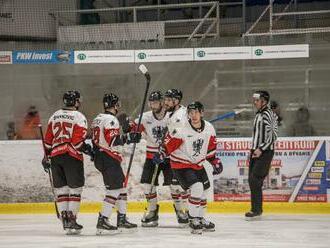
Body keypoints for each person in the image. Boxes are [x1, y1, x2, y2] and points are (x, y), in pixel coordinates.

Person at [164, 101, 223, 234]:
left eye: (196, 112)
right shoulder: (181, 129)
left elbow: (210, 148)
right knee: (197, 187)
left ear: (202, 113)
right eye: (190, 112)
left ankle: (200, 218)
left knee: (204, 192)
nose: (193, 115)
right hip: (181, 164)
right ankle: (193, 219)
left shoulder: (209, 128)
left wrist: (214, 160)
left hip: (198, 164)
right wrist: (162, 152)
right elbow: (169, 145)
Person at [130, 91, 185, 227]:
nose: (153, 105)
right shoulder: (146, 117)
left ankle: (180, 212)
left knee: (175, 186)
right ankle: (152, 211)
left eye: (155, 102)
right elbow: (133, 128)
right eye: (151, 103)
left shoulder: (171, 116)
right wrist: (130, 129)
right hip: (151, 156)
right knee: (148, 186)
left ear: (161, 102)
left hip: (168, 156)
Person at [42, 90, 93, 234]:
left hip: (55, 156)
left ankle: (65, 220)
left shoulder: (54, 116)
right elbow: (77, 143)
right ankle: (72, 219)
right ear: (76, 102)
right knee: (75, 189)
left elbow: (47, 141)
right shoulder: (78, 116)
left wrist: (46, 157)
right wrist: (88, 150)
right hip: (71, 156)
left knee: (62, 190)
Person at [91, 93, 141, 235]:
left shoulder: (97, 119)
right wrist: (129, 137)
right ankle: (102, 221)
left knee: (122, 187)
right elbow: (112, 141)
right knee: (113, 190)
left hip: (101, 157)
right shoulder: (110, 119)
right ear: (116, 105)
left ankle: (122, 219)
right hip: (108, 157)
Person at [246, 90, 278, 220]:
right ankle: (256, 210)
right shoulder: (259, 114)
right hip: (256, 151)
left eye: (257, 100)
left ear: (264, 101)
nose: (255, 102)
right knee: (252, 180)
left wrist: (261, 149)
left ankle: (256, 210)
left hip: (264, 152)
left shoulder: (268, 114)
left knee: (255, 180)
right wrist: (253, 149)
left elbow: (273, 135)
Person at [163, 88, 190, 225]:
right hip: (175, 155)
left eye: (169, 100)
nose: (165, 102)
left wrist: (164, 150)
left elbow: (177, 139)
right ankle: (181, 212)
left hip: (183, 156)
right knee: (174, 186)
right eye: (165, 99)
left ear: (176, 101)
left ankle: (188, 212)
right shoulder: (171, 114)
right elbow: (171, 136)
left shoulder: (180, 116)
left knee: (183, 186)